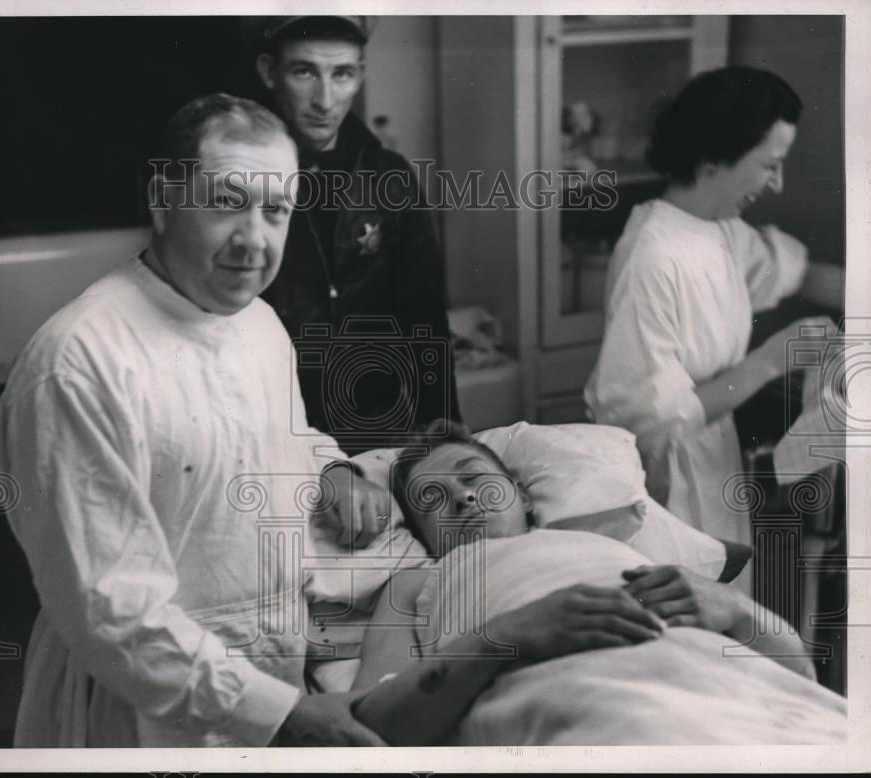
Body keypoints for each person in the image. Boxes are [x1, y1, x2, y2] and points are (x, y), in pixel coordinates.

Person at [0, 94, 398, 747]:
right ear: (162, 198)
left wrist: (333, 469)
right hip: (139, 714)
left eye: (275, 211)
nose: (253, 239)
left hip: (269, 685)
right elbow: (112, 611)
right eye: (225, 202)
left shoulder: (258, 324)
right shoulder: (80, 363)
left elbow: (274, 441)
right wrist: (280, 715)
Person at [349, 420, 839, 746]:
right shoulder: (418, 583)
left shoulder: (616, 548)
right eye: (433, 499)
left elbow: (801, 678)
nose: (462, 498)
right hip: (595, 707)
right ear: (423, 536)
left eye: (474, 477)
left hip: (739, 698)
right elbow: (369, 726)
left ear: (522, 495)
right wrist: (508, 635)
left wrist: (737, 610)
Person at [583, 66, 837, 583]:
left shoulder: (718, 229)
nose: (777, 183)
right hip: (665, 488)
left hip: (712, 467)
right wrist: (769, 361)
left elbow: (799, 272)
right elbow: (647, 420)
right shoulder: (653, 253)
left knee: (724, 610)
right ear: (717, 155)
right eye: (770, 165)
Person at [253, 16, 461, 453]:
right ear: (270, 72)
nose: (324, 100)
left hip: (378, 429)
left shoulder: (391, 176)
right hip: (272, 431)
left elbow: (425, 316)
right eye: (304, 71)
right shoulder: (244, 178)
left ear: (360, 76)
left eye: (342, 74)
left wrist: (442, 429)